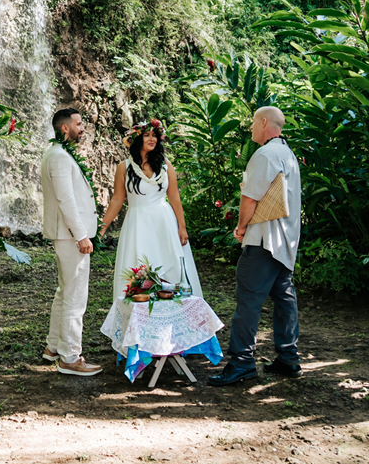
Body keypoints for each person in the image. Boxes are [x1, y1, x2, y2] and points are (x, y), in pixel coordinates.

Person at [209, 105, 303, 386]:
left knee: (248, 300)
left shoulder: (265, 154)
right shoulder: (287, 153)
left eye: (252, 122)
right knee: (285, 298)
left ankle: (241, 362)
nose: (250, 127)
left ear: (264, 122)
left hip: (264, 240)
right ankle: (288, 357)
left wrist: (240, 228)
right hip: (285, 241)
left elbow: (250, 198)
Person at [99, 119, 202, 303]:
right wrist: (102, 228)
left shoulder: (165, 165)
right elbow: (117, 199)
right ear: (137, 140)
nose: (152, 139)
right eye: (146, 135)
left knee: (170, 267)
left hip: (164, 222)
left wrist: (182, 226)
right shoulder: (125, 167)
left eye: (154, 135)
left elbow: (175, 197)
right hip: (137, 222)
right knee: (138, 267)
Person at [40, 107, 103, 377]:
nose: (82, 127)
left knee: (64, 292)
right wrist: (82, 236)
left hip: (65, 235)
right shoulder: (59, 157)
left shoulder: (55, 154)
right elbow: (67, 201)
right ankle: (70, 356)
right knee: (75, 297)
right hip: (69, 236)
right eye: (78, 123)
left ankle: (53, 347)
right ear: (65, 128)